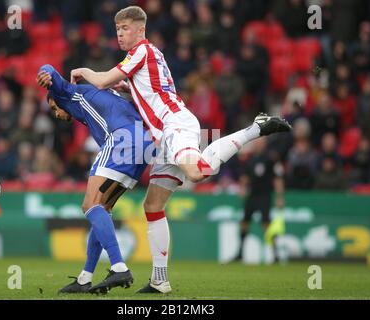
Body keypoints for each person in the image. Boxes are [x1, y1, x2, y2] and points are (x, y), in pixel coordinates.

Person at [70, 6, 292, 293]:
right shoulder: (151, 55)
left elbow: (100, 81)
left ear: (140, 30)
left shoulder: (141, 52)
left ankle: (255, 128)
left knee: (199, 173)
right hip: (165, 134)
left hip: (176, 125)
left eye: (125, 28)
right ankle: (160, 280)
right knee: (152, 206)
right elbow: (154, 91)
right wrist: (129, 90)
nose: (120, 34)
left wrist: (81, 70)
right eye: (117, 29)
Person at [36, 64, 154, 295]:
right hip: (144, 143)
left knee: (89, 205)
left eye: (54, 108)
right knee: (102, 207)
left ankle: (119, 266)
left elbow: (50, 69)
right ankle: (85, 278)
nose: (57, 114)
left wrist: (45, 74)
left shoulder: (69, 93)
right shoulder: (103, 97)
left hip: (122, 138)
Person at [230, 137, 286, 263]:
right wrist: (243, 188)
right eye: (256, 143)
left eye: (260, 143)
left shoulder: (271, 159)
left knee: (266, 224)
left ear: (265, 144)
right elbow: (245, 176)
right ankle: (240, 253)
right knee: (244, 222)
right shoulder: (250, 160)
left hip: (264, 195)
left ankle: (275, 254)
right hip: (252, 195)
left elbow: (277, 178)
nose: (258, 145)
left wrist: (279, 197)